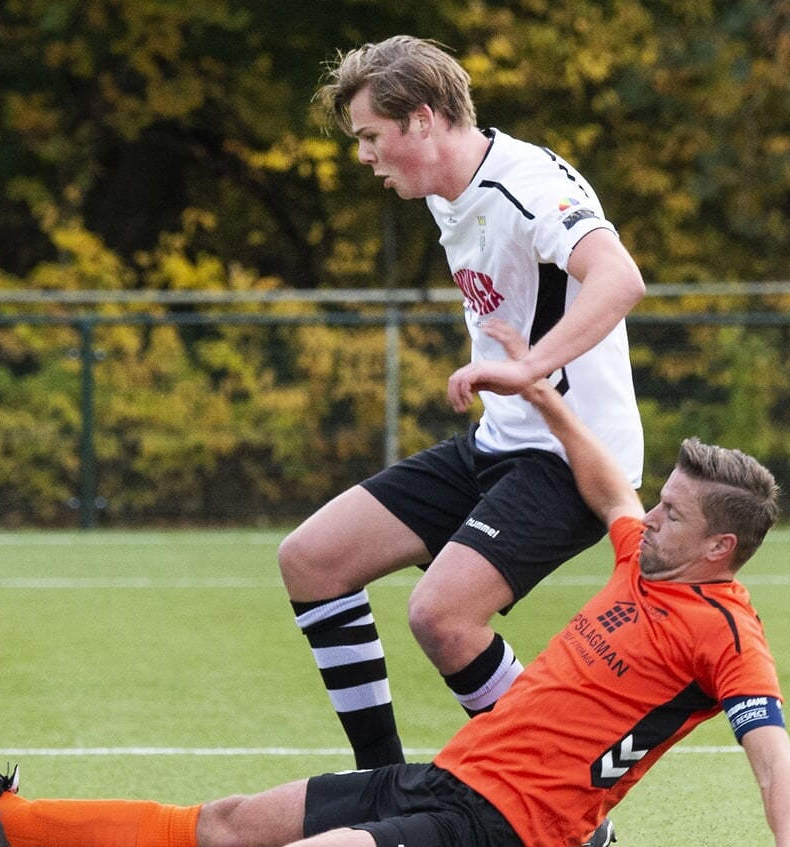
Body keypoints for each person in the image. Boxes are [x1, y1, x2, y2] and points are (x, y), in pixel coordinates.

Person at [0, 319, 790, 847]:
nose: (651, 517)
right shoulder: (641, 555)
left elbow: (774, 759)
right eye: (660, 504)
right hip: (446, 780)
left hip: (508, 829)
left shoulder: (725, 635)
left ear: (719, 546)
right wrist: (542, 397)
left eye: (674, 515)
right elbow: (610, 485)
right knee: (229, 823)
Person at [279, 35, 645, 793]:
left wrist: (528, 367)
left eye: (370, 137)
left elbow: (620, 278)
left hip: (576, 456)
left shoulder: (526, 182)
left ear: (420, 120)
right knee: (311, 560)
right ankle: (381, 785)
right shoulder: (450, 193)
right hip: (501, 442)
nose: (364, 157)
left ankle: (569, 798)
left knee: (441, 617)